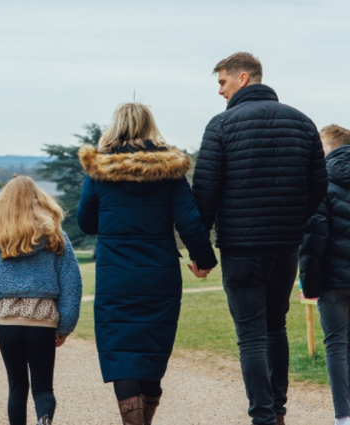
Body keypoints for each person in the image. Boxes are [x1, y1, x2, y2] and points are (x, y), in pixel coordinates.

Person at [192, 52, 328, 425]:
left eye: (222, 82)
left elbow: (205, 194)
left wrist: (201, 253)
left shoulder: (221, 125)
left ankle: (263, 416)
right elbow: (318, 186)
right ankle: (278, 412)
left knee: (251, 334)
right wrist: (292, 222)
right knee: (276, 326)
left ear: (243, 78)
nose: (220, 91)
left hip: (241, 246)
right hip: (285, 245)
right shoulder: (302, 122)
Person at [77, 102, 217, 425]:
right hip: (159, 275)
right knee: (152, 350)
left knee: (121, 353)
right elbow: (189, 222)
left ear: (115, 127)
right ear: (149, 126)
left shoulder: (99, 171)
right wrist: (204, 259)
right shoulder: (169, 172)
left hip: (116, 277)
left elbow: (86, 223)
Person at [0, 176, 82, 425]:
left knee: (17, 387)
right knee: (43, 388)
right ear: (39, 200)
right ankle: (44, 420)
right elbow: (71, 283)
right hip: (43, 322)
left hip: (8, 322)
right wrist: (65, 325)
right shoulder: (55, 236)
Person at [300, 125, 350, 425]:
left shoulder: (321, 181)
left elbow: (313, 238)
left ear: (327, 147)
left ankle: (343, 416)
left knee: (336, 346)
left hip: (333, 280)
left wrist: (309, 284)